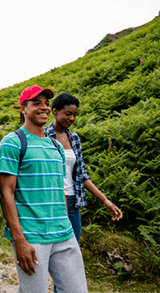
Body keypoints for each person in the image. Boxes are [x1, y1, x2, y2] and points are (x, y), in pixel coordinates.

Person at [0, 85, 88, 292]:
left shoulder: (56, 146)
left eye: (46, 103)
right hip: (32, 236)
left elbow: (59, 190)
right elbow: (6, 193)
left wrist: (66, 225)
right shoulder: (12, 142)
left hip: (63, 234)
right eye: (36, 103)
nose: (44, 107)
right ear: (23, 109)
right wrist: (19, 240)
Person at [45, 93, 123, 244]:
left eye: (75, 115)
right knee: (55, 248)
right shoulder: (44, 136)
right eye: (68, 114)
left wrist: (105, 200)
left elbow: (82, 175)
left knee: (73, 248)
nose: (72, 118)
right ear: (55, 111)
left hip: (73, 201)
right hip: (52, 202)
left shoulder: (74, 138)